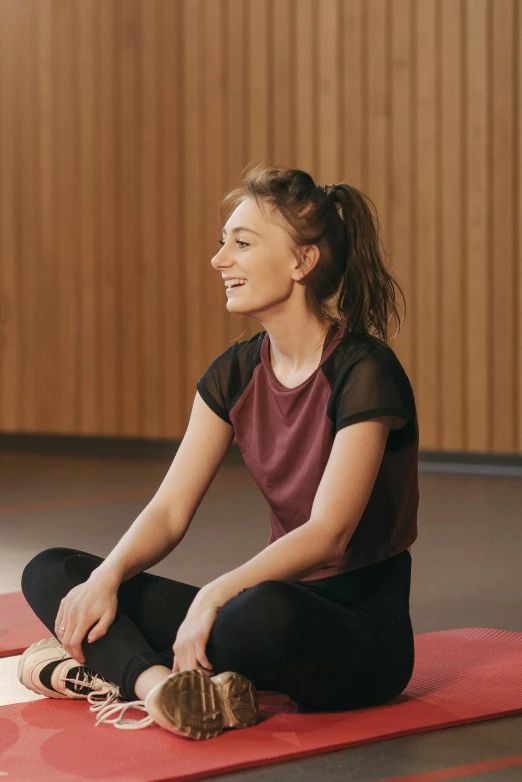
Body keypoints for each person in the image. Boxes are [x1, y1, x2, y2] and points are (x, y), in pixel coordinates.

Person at [18, 164, 419, 741]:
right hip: (260, 609)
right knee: (54, 571)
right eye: (222, 241)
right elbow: (168, 511)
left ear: (302, 261)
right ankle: (162, 690)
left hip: (356, 633)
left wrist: (213, 594)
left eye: (242, 242)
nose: (219, 259)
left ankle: (103, 664)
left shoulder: (365, 370)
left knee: (257, 613)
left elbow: (329, 531)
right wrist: (106, 577)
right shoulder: (232, 373)